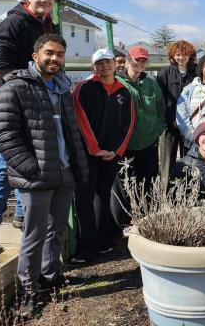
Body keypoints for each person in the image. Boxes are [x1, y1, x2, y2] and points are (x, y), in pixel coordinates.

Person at [0, 34, 88, 315]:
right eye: (49, 53)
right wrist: (31, 168)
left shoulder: (62, 89)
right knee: (33, 235)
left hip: (64, 171)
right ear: (35, 55)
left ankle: (50, 276)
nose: (54, 59)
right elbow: (4, 134)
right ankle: (28, 291)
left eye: (59, 54)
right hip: (36, 176)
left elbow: (70, 132)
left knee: (56, 230)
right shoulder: (16, 87)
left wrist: (75, 166)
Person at [0, 0, 59, 253]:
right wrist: (17, 81)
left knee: (34, 154)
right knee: (4, 162)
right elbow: (0, 54)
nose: (44, 1)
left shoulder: (48, 23)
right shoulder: (15, 21)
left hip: (39, 96)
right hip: (14, 97)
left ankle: (23, 215)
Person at [72, 48, 135, 263]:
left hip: (111, 154)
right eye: (100, 63)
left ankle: (104, 242)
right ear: (94, 66)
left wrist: (117, 151)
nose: (104, 66)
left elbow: (128, 124)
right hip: (87, 154)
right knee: (84, 198)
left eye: (108, 62)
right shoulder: (84, 88)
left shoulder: (123, 92)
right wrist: (94, 148)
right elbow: (80, 120)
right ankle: (87, 247)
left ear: (115, 64)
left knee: (103, 196)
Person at [112, 45, 166, 228]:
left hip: (149, 143)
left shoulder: (150, 83)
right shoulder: (117, 82)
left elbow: (160, 108)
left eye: (144, 60)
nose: (140, 63)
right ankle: (125, 224)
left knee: (148, 183)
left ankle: (149, 219)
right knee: (126, 186)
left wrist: (157, 129)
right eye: (137, 60)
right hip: (126, 145)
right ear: (128, 60)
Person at [157, 40, 197, 179]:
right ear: (173, 56)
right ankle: (164, 192)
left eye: (184, 54)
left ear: (190, 55)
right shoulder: (165, 73)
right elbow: (161, 101)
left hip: (190, 125)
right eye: (178, 54)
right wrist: (170, 120)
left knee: (190, 160)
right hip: (170, 125)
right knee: (166, 161)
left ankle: (187, 193)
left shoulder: (196, 72)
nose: (181, 57)